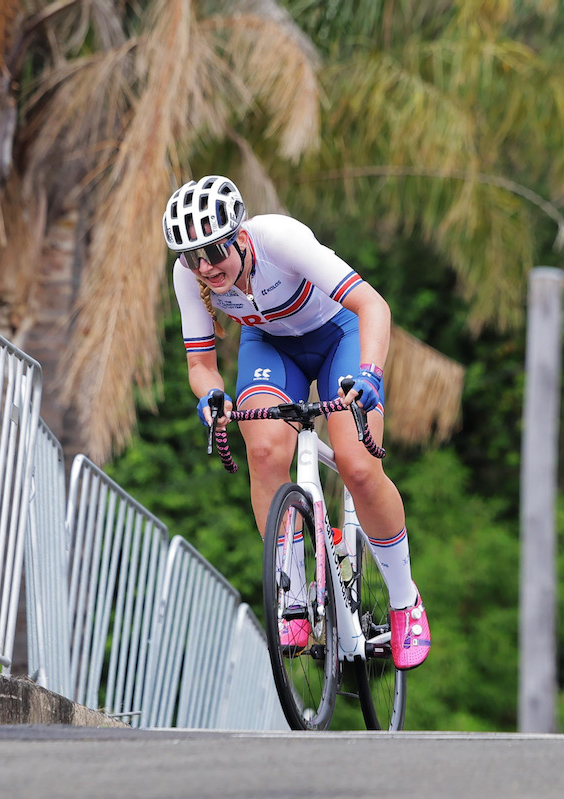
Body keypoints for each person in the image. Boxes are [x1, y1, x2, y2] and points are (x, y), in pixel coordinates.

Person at [162, 174, 430, 670]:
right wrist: (212, 396)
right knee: (263, 452)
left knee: (358, 464)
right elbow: (201, 365)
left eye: (214, 250)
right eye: (191, 257)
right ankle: (291, 596)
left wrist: (370, 373)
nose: (205, 267)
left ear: (239, 237)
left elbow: (372, 305)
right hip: (270, 349)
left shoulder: (280, 241)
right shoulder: (190, 276)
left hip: (338, 335)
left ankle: (403, 599)